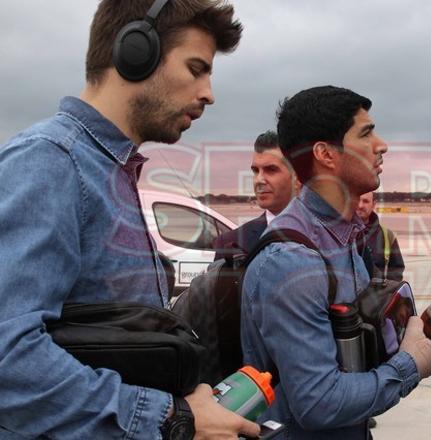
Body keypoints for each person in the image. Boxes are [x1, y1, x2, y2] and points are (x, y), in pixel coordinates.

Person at [0, 1, 260, 438]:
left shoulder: (109, 173)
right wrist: (172, 418)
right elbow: (9, 359)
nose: (208, 93)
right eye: (196, 68)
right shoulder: (51, 162)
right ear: (134, 52)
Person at [241, 85, 431, 439]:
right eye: (366, 133)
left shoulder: (343, 239)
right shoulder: (290, 261)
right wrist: (413, 364)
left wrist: (419, 341)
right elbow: (319, 404)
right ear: (326, 154)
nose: (382, 145)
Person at [214, 130, 299, 260]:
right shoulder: (230, 244)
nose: (259, 180)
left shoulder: (328, 235)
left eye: (271, 170)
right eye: (255, 171)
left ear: (297, 176)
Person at [356, 191, 405, 281]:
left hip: (377, 293)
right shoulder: (337, 234)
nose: (360, 205)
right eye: (357, 200)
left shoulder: (388, 236)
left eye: (365, 201)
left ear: (373, 204)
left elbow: (396, 272)